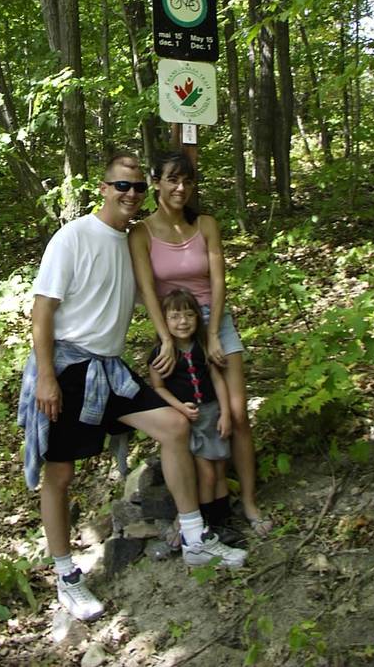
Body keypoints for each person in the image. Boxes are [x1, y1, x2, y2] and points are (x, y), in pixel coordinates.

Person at [18, 152, 247, 623]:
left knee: (174, 426)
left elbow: (157, 286)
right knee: (60, 474)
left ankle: (195, 537)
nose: (131, 194)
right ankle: (66, 575)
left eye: (138, 187)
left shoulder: (131, 241)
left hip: (111, 370)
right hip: (68, 368)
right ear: (103, 188)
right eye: (122, 185)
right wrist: (46, 377)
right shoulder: (73, 237)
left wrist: (178, 335)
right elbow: (42, 311)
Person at [129, 150, 272, 537]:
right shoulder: (140, 233)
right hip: (174, 329)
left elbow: (218, 280)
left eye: (187, 181)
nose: (180, 188)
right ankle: (195, 509)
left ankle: (249, 502)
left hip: (214, 322)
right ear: (156, 182)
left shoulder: (206, 224)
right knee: (187, 419)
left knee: (237, 415)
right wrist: (164, 339)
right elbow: (148, 289)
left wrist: (211, 335)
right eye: (172, 180)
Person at [148, 289, 245, 547]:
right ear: (164, 321)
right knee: (206, 474)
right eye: (175, 316)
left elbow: (217, 379)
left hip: (213, 414)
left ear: (198, 318)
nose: (183, 322)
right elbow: (158, 387)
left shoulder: (202, 346)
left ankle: (224, 522)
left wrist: (226, 413)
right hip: (192, 420)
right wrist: (180, 407)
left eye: (189, 315)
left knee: (220, 470)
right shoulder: (160, 353)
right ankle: (206, 524)